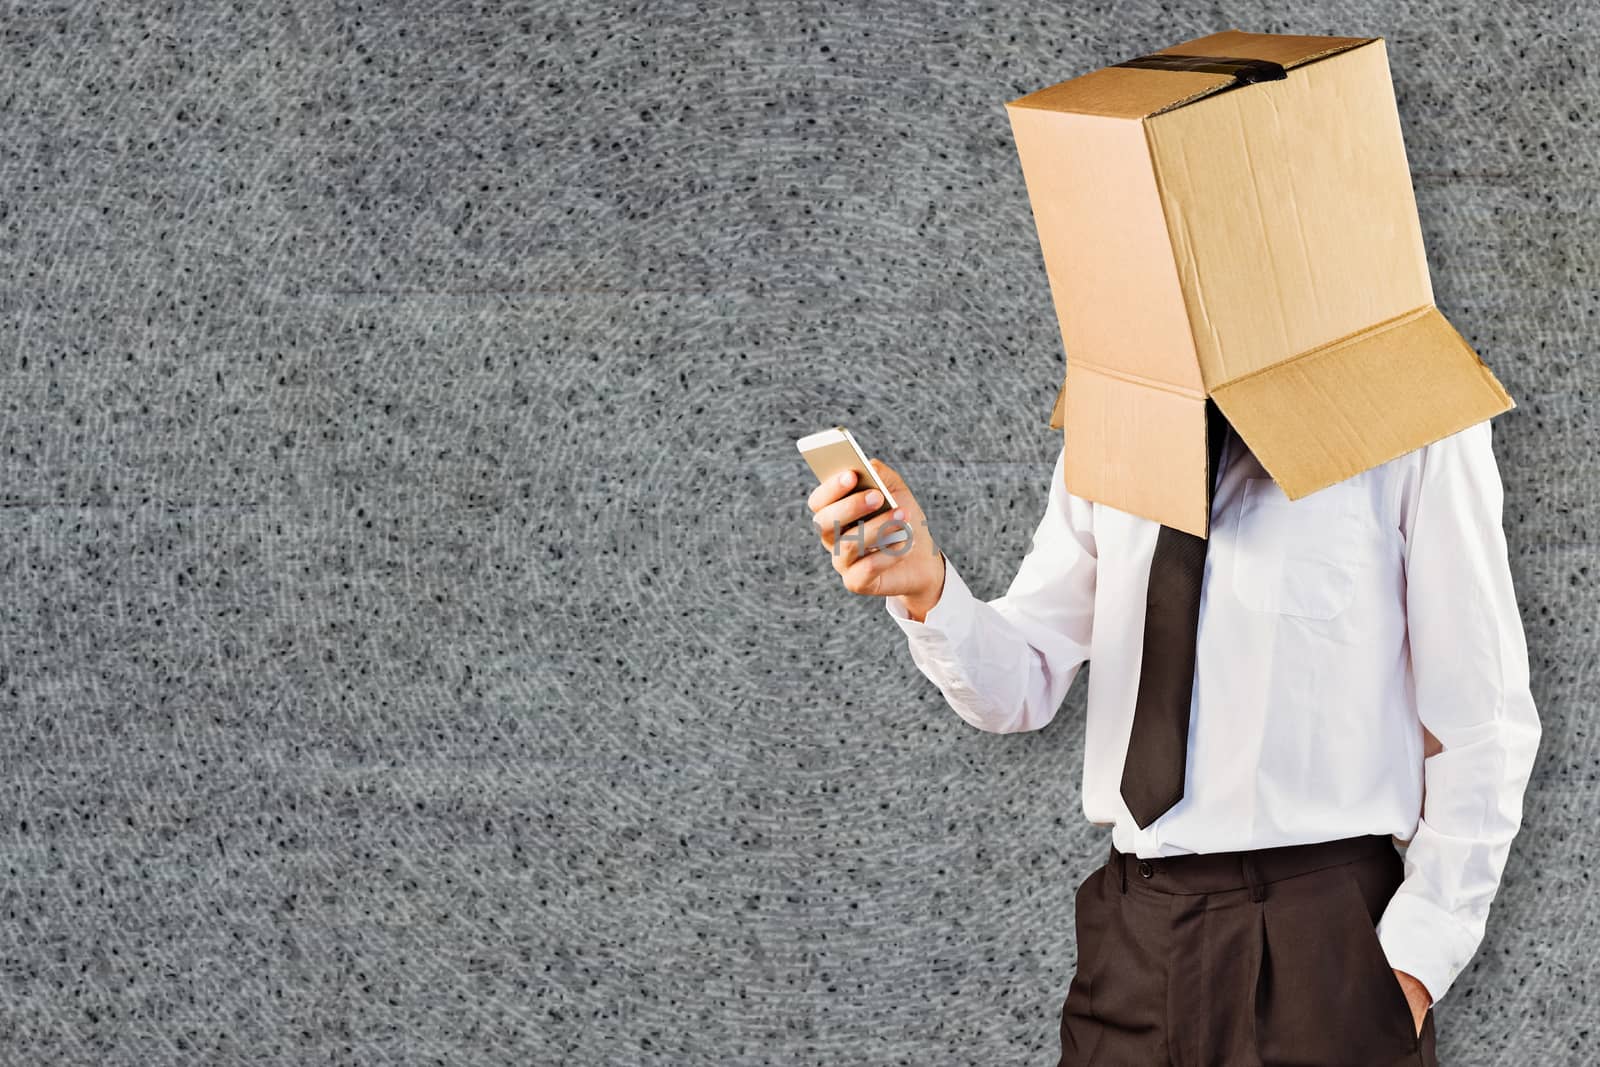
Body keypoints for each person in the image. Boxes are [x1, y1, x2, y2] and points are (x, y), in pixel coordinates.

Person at [805, 408, 1540, 1066]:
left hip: (1323, 949)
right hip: (1133, 940)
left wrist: (1412, 964)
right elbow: (1023, 678)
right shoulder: (1116, 415)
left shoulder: (1414, 415)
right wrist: (926, 586)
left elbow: (1486, 720)